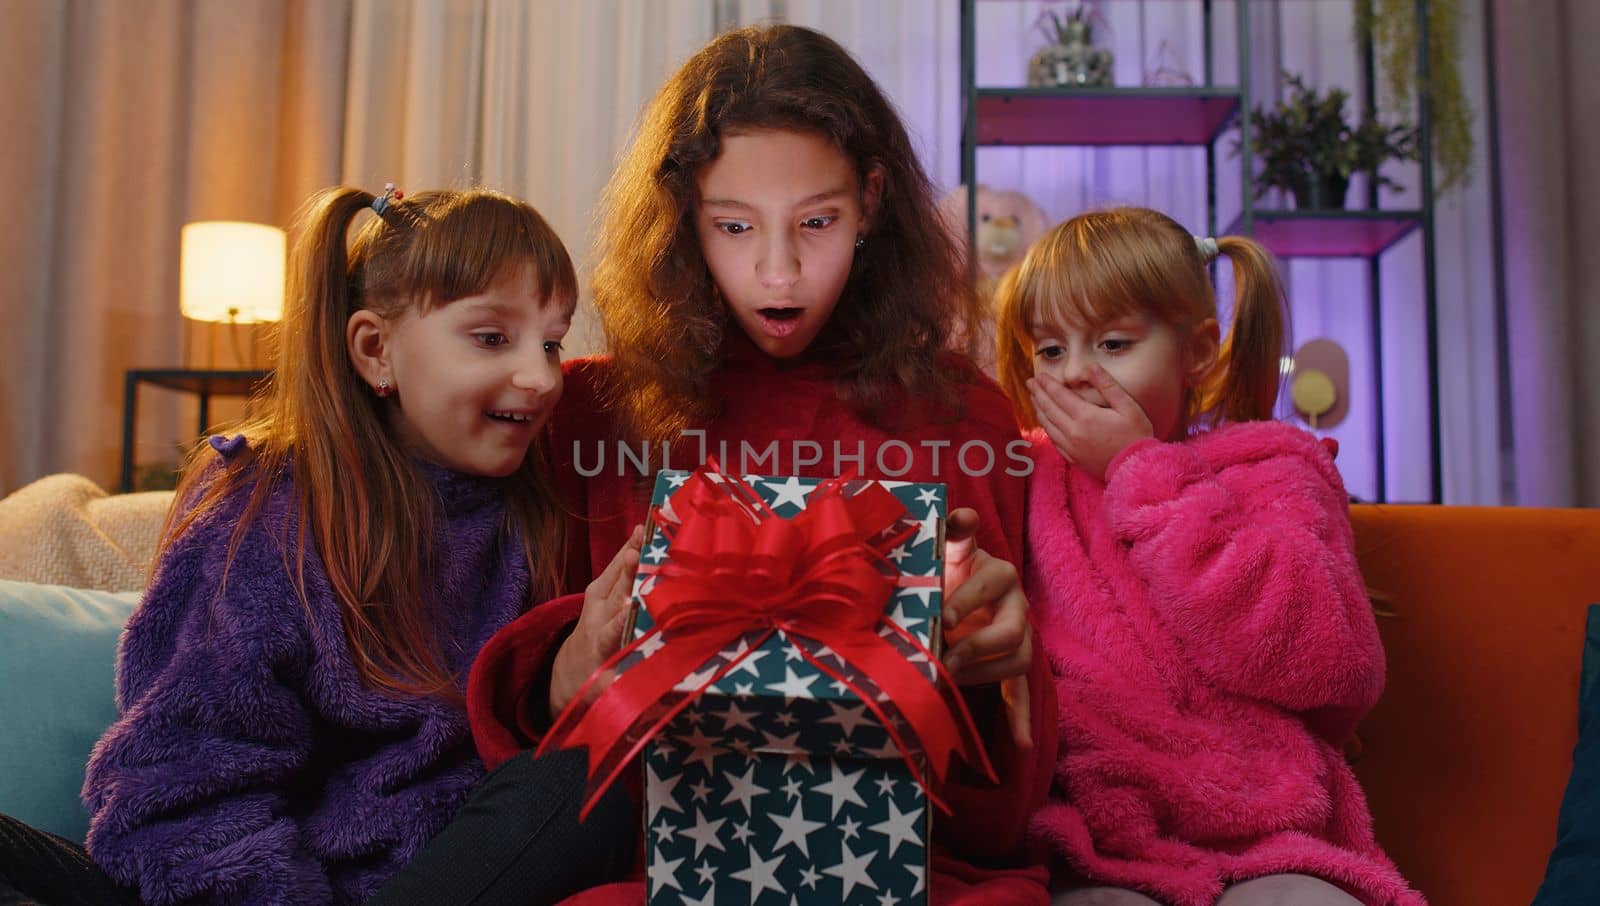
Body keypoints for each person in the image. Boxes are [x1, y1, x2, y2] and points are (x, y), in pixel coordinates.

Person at [465, 23, 1056, 906]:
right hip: (647, 869)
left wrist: (1002, 668)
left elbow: (1003, 816)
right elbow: (527, 794)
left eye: (817, 221)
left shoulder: (963, 415)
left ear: (872, 200)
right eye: (733, 226)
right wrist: (565, 669)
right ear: (682, 220)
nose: (778, 272)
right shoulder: (584, 414)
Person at [0, 185, 640, 906]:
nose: (542, 376)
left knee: (590, 776)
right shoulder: (264, 516)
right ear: (376, 351)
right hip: (247, 886)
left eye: (553, 342)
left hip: (441, 875)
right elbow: (184, 793)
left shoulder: (532, 507)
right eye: (493, 338)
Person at [992, 206, 1423, 906]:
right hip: (1092, 830)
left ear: (1197, 350)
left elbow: (1332, 666)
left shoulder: (1276, 468)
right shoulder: (1024, 478)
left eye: (1111, 343)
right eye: (1049, 349)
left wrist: (1141, 470)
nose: (1074, 375)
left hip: (1264, 830)